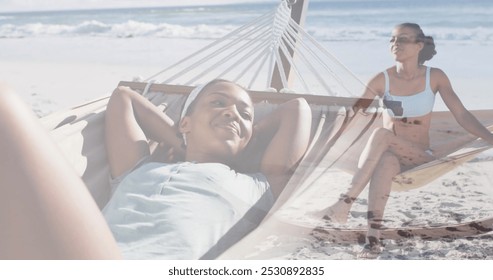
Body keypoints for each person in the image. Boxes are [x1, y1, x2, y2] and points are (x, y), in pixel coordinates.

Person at [0, 79, 312, 259]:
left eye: (246, 113)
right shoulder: (139, 168)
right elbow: (123, 98)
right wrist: (182, 142)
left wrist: (245, 135)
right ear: (185, 122)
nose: (233, 112)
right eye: (218, 103)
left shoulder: (257, 187)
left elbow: (297, 108)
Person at [317, 23, 493, 259]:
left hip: (419, 157)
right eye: (392, 39)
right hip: (387, 155)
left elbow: (461, 114)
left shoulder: (435, 77)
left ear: (419, 45)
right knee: (385, 161)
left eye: (403, 39)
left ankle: (345, 203)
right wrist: (325, 139)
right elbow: (354, 114)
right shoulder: (382, 79)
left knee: (382, 135)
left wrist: (490, 137)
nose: (395, 44)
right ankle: (373, 240)